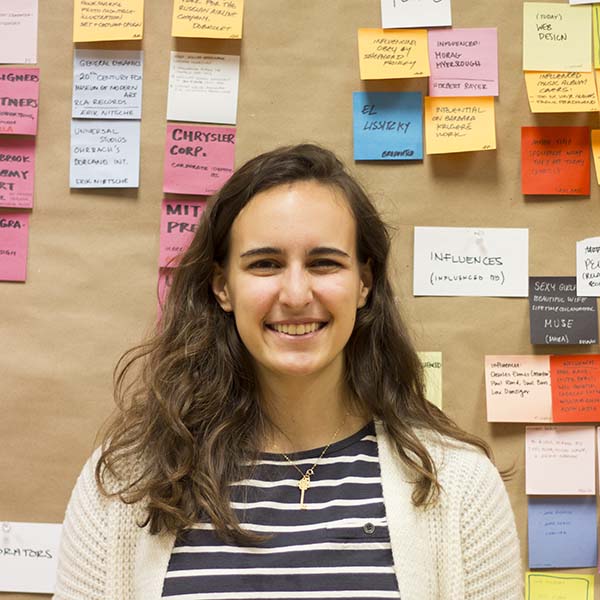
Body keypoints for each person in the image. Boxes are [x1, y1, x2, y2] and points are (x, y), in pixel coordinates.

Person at [54, 144, 523, 600]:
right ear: (222, 287)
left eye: (324, 263)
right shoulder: (125, 485)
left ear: (364, 282)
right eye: (265, 264)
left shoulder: (459, 486)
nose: (296, 294)